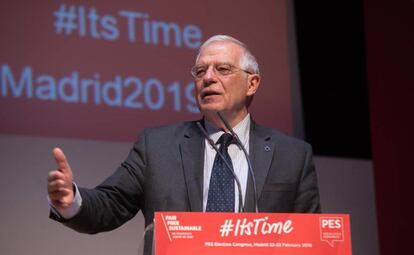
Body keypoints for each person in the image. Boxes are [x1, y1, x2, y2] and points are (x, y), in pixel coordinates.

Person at [47, 35, 320, 254]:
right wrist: (71, 201)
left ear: (253, 83)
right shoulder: (157, 146)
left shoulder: (292, 155)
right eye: (200, 71)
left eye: (222, 69)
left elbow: (311, 241)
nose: (208, 78)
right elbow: (111, 203)